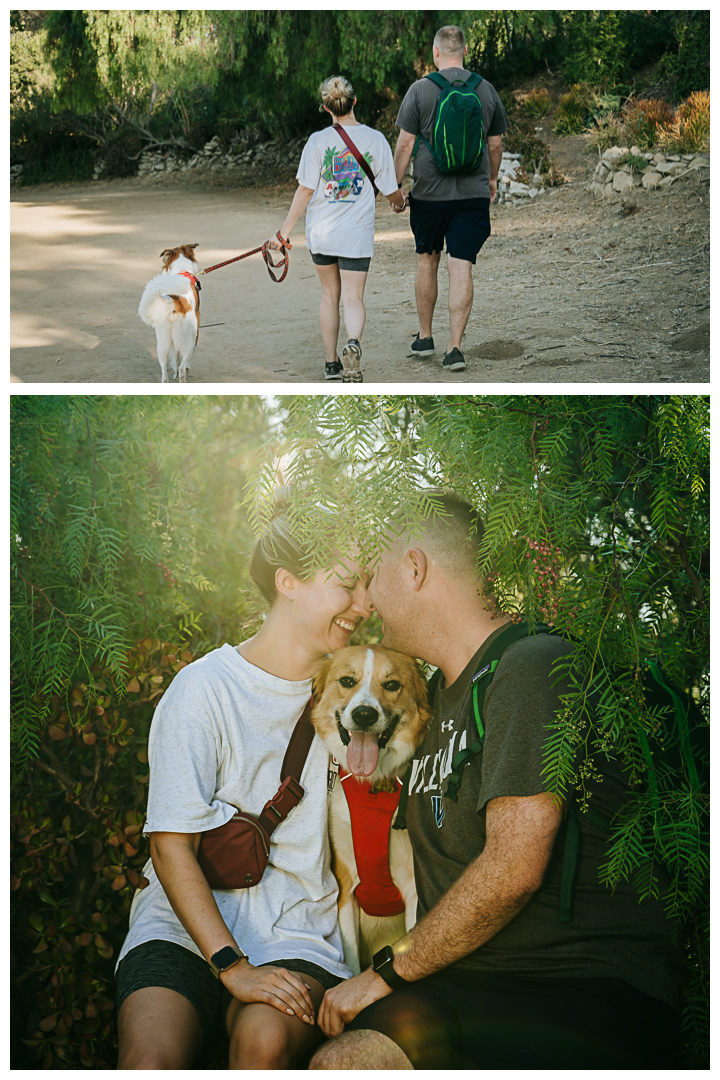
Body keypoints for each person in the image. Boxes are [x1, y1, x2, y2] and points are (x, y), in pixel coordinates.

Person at [309, 492, 680, 1070]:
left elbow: (513, 870)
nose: (368, 600)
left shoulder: (531, 668)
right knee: (346, 1060)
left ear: (413, 568)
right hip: (460, 982)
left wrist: (386, 972)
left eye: (374, 578)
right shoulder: (430, 701)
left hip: (577, 984)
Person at [115, 502, 372, 1069]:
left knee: (265, 1045)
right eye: (350, 586)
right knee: (148, 1062)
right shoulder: (203, 689)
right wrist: (232, 965)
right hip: (182, 926)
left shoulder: (357, 697)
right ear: (289, 583)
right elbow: (168, 845)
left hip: (295, 931)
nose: (366, 604)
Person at [268, 76, 407, 384]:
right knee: (353, 298)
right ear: (354, 102)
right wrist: (400, 203)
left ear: (326, 108)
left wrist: (283, 233)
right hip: (355, 235)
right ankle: (353, 343)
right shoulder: (376, 140)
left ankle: (332, 364)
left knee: (330, 294)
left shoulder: (317, 142)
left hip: (322, 233)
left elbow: (305, 190)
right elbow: (389, 189)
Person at [394, 26, 509, 373]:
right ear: (464, 51)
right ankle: (454, 349)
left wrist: (396, 188)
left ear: (436, 53)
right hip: (471, 196)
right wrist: (490, 180)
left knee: (426, 261)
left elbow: (404, 145)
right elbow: (495, 145)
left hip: (429, 195)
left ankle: (425, 337)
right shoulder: (485, 90)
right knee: (461, 267)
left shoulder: (419, 90)